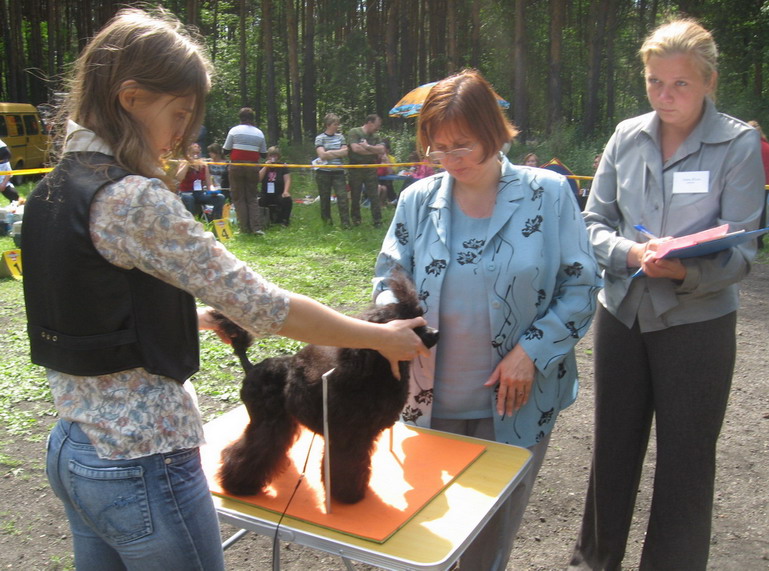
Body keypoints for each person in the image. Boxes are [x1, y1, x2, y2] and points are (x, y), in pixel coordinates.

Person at [21, 9, 429, 571]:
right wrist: (378, 337)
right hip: (143, 460)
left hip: (74, 450)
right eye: (179, 113)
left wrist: (192, 319)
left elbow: (85, 310)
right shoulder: (132, 198)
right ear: (131, 98)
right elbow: (266, 307)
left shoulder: (51, 189)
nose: (183, 134)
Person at [372, 69, 600, 571]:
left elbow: (582, 285)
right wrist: (391, 319)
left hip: (516, 404)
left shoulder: (548, 193)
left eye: (463, 146)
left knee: (485, 548)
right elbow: (388, 276)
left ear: (494, 133)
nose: (451, 160)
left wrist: (530, 352)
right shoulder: (417, 200)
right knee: (426, 538)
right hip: (427, 401)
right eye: (438, 149)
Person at [569, 19, 765, 571]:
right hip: (623, 314)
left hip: (697, 323)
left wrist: (682, 271)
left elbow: (743, 251)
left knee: (687, 460)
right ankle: (593, 563)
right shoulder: (626, 136)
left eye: (680, 83)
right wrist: (631, 253)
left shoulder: (738, 144)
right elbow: (592, 223)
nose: (665, 95)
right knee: (612, 449)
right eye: (655, 81)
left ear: (708, 81)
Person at [223, 107, 266, 235]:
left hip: (236, 166)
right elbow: (264, 154)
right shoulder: (259, 133)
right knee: (252, 197)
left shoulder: (234, 130)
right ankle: (256, 228)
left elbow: (225, 150)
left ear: (240, 118)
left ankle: (244, 228)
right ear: (252, 118)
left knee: (239, 198)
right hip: (252, 166)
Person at [347, 114, 385, 227]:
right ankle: (356, 220)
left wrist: (367, 147)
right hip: (355, 168)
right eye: (376, 125)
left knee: (374, 195)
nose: (378, 128)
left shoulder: (376, 136)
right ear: (369, 123)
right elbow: (356, 149)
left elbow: (382, 150)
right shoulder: (354, 132)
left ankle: (377, 221)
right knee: (355, 195)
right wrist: (373, 151)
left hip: (370, 168)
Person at [314, 113, 350, 227]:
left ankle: (345, 224)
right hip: (323, 173)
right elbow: (322, 155)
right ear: (328, 125)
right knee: (325, 198)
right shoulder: (320, 138)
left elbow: (345, 152)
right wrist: (336, 153)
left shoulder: (340, 137)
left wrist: (329, 152)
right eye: (335, 124)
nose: (337, 126)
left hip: (339, 172)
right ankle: (327, 223)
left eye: (337, 124)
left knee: (343, 197)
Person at [176, 142, 226, 220]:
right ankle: (191, 221)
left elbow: (209, 183)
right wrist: (188, 163)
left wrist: (213, 190)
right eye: (193, 153)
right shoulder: (184, 163)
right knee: (189, 199)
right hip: (186, 192)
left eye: (197, 153)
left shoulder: (203, 165)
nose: (196, 155)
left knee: (220, 198)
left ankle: (214, 220)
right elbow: (179, 178)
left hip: (200, 193)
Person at [258, 146, 292, 226]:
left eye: (275, 155)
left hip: (279, 193)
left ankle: (284, 220)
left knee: (287, 199)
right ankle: (263, 220)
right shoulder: (262, 166)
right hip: (265, 193)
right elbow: (258, 179)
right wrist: (265, 167)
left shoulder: (283, 166)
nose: (273, 158)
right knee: (258, 200)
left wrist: (286, 191)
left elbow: (287, 180)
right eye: (271, 155)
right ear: (268, 156)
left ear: (278, 156)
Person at [747, 120, 769, 247]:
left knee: (749, 212)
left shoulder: (747, 147)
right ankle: (760, 240)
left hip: (751, 184)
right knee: (762, 213)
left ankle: (750, 238)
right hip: (766, 184)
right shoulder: (766, 146)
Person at [0, 139, 19, 203]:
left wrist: (3, 184)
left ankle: (17, 203)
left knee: (13, 195)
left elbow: (9, 172)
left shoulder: (4, 158)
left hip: (3, 182)